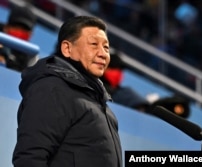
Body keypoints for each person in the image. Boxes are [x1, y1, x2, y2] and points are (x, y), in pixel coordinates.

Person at [12, 16, 122, 167]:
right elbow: (30, 157)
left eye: (106, 47)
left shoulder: (99, 102)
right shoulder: (52, 89)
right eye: (94, 44)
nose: (103, 53)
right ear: (67, 49)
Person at [0, 5, 37, 71]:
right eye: (16, 27)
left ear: (31, 34)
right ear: (6, 27)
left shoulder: (31, 57)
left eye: (24, 29)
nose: (19, 32)